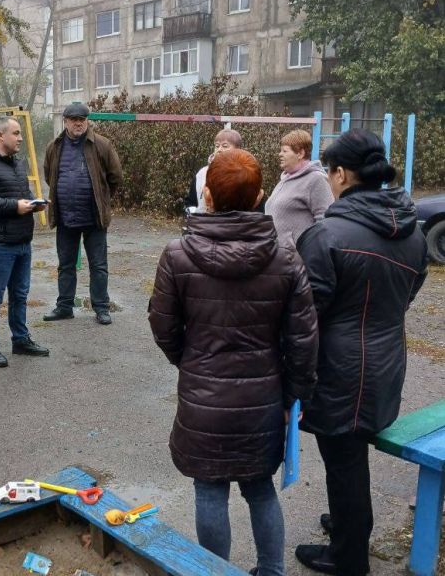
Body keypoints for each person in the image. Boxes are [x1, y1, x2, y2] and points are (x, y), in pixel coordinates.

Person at [149, 149, 318, 576]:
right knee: (261, 489)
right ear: (261, 195)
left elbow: (163, 326)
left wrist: (190, 362)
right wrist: (292, 395)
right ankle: (271, 570)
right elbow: (303, 340)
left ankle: (214, 571)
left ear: (206, 195)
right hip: (264, 396)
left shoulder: (177, 255)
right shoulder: (286, 255)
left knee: (208, 490)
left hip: (203, 396)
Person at [294, 130, 428, 576]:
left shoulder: (327, 233)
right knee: (350, 456)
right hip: (387, 359)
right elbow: (408, 292)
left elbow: (307, 314)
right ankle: (350, 523)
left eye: (329, 171)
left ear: (341, 174)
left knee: (344, 461)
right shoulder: (412, 233)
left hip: (341, 368)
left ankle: (348, 556)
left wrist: (294, 374)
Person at [0, 116, 49, 367]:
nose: (20, 138)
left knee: (20, 294)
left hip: (22, 241)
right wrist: (15, 206)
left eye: (20, 133)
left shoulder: (17, 164)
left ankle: (20, 340)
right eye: (16, 133)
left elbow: (21, 195)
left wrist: (34, 204)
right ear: (0, 135)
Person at [42, 103, 123, 326]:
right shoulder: (54, 146)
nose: (78, 123)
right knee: (65, 265)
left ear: (87, 121)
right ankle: (64, 307)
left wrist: (101, 199)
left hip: (94, 217)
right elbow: (50, 176)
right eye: (74, 119)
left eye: (82, 119)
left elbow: (115, 177)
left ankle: (101, 308)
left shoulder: (102, 145)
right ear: (65, 122)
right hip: (66, 217)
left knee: (98, 265)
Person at [265, 128, 333, 246]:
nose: (280, 154)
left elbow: (325, 222)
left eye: (285, 151)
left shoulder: (316, 179)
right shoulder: (285, 179)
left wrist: (310, 252)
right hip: (277, 257)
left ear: (300, 153)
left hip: (298, 260)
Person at [186, 129, 266, 212]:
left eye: (225, 146)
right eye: (217, 146)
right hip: (204, 222)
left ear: (238, 149)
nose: (219, 149)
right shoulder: (202, 173)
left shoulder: (247, 171)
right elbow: (191, 202)